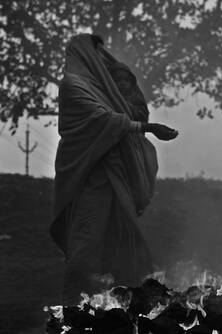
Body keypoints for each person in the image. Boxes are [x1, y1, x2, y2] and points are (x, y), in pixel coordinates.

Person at [50, 34, 178, 305]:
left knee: (121, 236)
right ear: (85, 55)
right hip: (91, 176)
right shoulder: (73, 86)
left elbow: (133, 108)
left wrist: (126, 82)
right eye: (97, 53)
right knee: (88, 240)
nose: (103, 58)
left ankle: (123, 306)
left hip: (114, 175)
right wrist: (148, 128)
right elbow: (102, 119)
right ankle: (74, 308)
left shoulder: (104, 86)